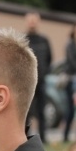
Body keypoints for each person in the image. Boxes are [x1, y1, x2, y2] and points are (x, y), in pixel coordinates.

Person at [25, 12, 52, 143]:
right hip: (27, 82)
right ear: (26, 22)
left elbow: (49, 58)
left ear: (38, 22)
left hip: (41, 82)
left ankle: (44, 138)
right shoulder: (22, 40)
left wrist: (44, 72)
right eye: (30, 20)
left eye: (35, 21)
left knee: (42, 111)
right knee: (26, 111)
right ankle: (25, 137)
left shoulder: (44, 40)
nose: (32, 23)